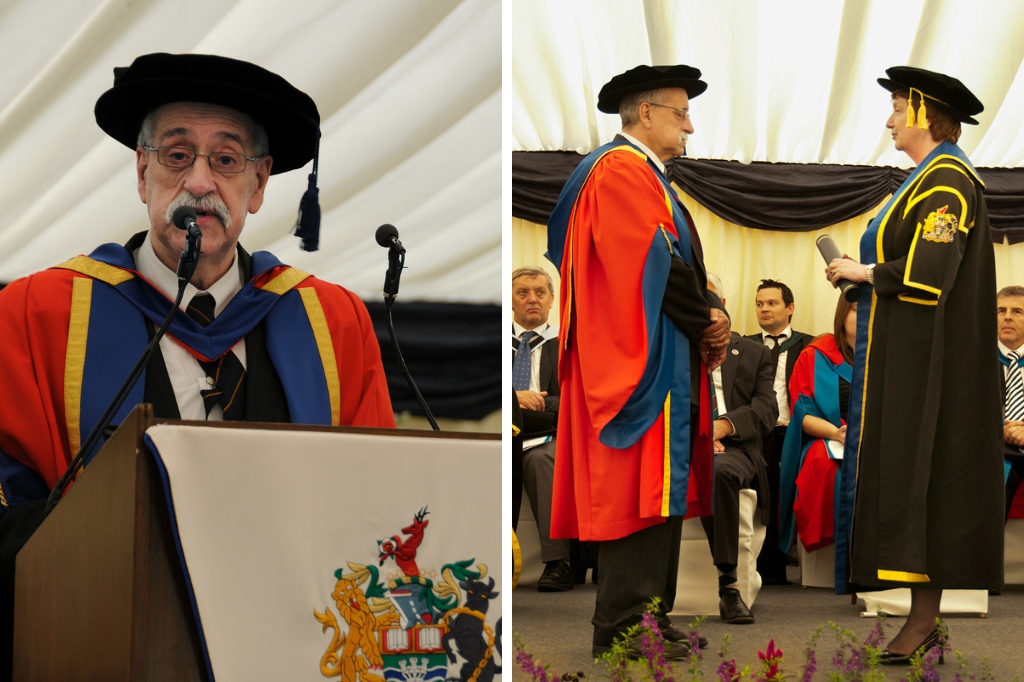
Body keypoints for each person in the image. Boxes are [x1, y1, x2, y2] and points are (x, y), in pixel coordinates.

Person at [0, 53, 396, 677]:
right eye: (176, 155)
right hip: (104, 642)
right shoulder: (35, 314)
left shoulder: (333, 321)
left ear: (259, 184)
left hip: (289, 648)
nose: (201, 182)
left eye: (227, 159)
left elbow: (377, 500)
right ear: (142, 171)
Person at [546, 64, 729, 660]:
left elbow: (669, 263)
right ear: (645, 113)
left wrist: (707, 308)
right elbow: (654, 263)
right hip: (636, 369)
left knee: (659, 496)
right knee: (638, 492)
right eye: (681, 114)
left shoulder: (640, 174)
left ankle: (652, 615)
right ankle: (624, 628)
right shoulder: (620, 171)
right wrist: (706, 318)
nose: (690, 127)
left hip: (656, 355)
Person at [826, 66, 1003, 665]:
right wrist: (862, 279)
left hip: (936, 372)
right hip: (912, 362)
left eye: (899, 108)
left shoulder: (948, 181)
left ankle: (924, 621)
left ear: (927, 112)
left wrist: (863, 273)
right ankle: (922, 621)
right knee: (919, 488)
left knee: (934, 488)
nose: (890, 119)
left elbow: (927, 279)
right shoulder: (928, 177)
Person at [701, 273, 777, 624]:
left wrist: (722, 425)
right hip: (677, 442)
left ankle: (728, 584)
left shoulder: (754, 352)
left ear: (724, 306)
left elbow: (766, 410)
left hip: (733, 448)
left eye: (710, 300)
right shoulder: (666, 347)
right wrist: (696, 434)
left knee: (716, 471)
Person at [777, 295, 856, 578]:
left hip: (878, 440)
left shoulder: (890, 355)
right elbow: (803, 413)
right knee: (823, 464)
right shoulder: (815, 354)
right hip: (829, 436)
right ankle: (832, 552)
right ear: (842, 314)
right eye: (858, 310)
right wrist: (837, 432)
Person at [745, 279, 812, 584]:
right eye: (760, 304)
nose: (764, 309)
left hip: (798, 430)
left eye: (772, 303)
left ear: (790, 308)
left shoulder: (810, 347)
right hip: (756, 432)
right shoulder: (743, 347)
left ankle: (792, 554)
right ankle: (766, 565)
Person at [511, 265, 571, 592]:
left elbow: (581, 396)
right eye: (523, 292)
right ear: (512, 299)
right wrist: (513, 397)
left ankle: (558, 563)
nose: (532, 299)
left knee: (541, 460)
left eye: (540, 293)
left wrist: (539, 402)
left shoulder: (567, 343)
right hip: (503, 433)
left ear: (551, 301)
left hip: (549, 434)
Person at [997, 286, 1024, 519]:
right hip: (996, 449)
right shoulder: (974, 360)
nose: (1007, 316)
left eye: (1017, 311)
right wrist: (1001, 431)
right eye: (1001, 310)